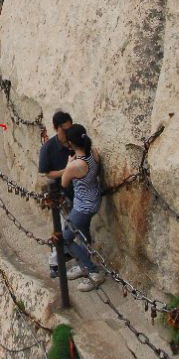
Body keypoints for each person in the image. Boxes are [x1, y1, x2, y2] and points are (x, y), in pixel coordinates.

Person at [60, 124, 105, 291]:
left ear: (71, 143)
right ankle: (83, 263)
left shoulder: (75, 165)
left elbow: (63, 183)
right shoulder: (94, 154)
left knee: (65, 238)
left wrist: (68, 163)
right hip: (94, 199)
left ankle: (93, 271)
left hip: (82, 207)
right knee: (83, 234)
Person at [39, 111, 75, 279]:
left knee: (72, 227)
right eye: (64, 130)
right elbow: (46, 173)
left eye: (69, 129)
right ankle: (54, 263)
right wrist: (65, 171)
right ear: (56, 128)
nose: (67, 133)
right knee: (61, 227)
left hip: (75, 191)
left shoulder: (72, 141)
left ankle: (67, 253)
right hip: (60, 195)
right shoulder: (48, 148)